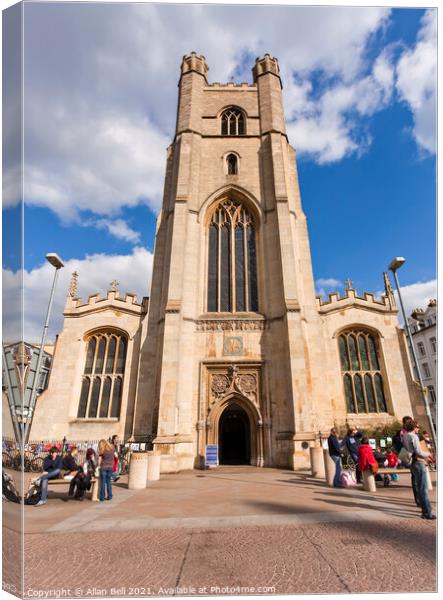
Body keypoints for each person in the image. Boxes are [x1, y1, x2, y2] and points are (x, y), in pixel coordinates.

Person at [402, 420, 435, 520]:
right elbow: (418, 451)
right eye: (417, 426)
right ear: (413, 427)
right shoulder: (413, 436)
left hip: (412, 463)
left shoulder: (405, 436)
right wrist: (428, 454)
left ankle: (426, 509)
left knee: (420, 487)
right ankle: (427, 512)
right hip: (418, 462)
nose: (418, 428)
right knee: (423, 488)